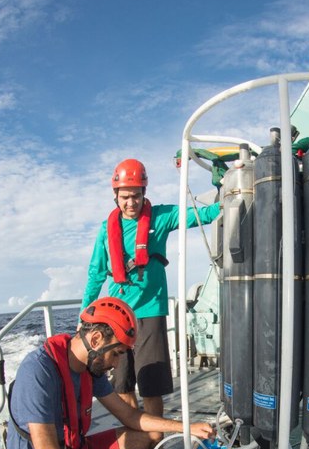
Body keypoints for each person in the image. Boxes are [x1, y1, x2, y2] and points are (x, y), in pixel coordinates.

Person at [6, 297, 215, 449]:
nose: (116, 364)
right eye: (116, 353)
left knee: (149, 437)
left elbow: (131, 417)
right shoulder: (38, 372)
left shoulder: (90, 366)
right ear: (95, 340)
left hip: (74, 447)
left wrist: (186, 428)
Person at [80, 158, 220, 429]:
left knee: (151, 386)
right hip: (115, 316)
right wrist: (86, 312)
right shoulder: (104, 230)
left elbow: (203, 215)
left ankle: (156, 440)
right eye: (124, 197)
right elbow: (96, 273)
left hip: (150, 312)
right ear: (115, 197)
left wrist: (233, 196)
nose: (130, 203)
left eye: (135, 196)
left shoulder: (161, 217)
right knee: (122, 383)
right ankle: (137, 431)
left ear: (144, 193)